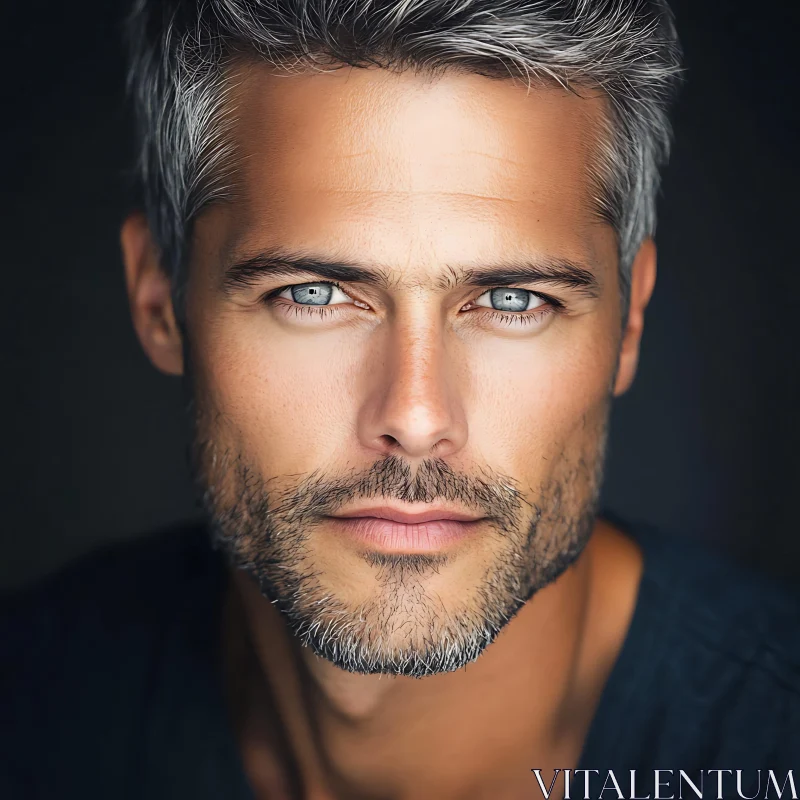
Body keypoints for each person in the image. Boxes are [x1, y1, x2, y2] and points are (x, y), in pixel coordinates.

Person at [2, 1, 799, 798]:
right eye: (312, 294)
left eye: (516, 300)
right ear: (158, 298)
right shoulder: (35, 708)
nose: (415, 419)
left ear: (630, 322)